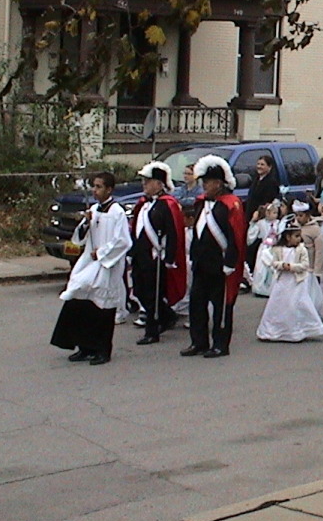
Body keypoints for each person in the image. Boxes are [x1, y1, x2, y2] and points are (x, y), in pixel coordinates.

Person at [50, 171, 131, 366]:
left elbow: (122, 241)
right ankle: (84, 346)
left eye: (99, 187)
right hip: (89, 262)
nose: (95, 190)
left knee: (102, 307)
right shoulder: (94, 210)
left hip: (106, 264)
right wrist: (86, 222)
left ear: (109, 189)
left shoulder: (117, 212)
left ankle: (102, 349)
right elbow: (79, 238)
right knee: (81, 298)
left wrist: (101, 253)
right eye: (93, 186)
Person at [183, 156, 247, 359]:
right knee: (197, 304)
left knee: (221, 307)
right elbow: (197, 231)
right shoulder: (201, 203)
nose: (204, 185)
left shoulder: (230, 204)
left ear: (218, 183)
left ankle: (220, 344)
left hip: (220, 264)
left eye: (207, 182)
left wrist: (230, 263)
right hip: (201, 263)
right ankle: (199, 342)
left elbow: (236, 236)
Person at [129, 161, 186, 345]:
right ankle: (168, 315)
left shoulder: (167, 204)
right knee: (139, 290)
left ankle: (152, 331)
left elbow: (173, 232)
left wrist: (169, 258)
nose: (144, 184)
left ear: (159, 184)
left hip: (155, 257)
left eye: (148, 181)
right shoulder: (144, 203)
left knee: (152, 294)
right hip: (140, 255)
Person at [256, 218, 323, 342]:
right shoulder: (278, 249)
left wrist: (292, 267)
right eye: (296, 236)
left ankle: (297, 331)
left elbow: (305, 265)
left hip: (296, 281)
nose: (299, 239)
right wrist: (282, 265)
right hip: (282, 281)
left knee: (295, 304)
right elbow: (273, 263)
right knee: (279, 304)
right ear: (288, 237)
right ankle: (274, 330)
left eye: (299, 236)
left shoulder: (301, 250)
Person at [243, 154, 280, 281]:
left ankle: (255, 276)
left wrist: (259, 213)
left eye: (262, 164)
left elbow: (268, 201)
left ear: (269, 167)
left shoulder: (271, 182)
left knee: (254, 248)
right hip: (251, 217)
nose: (259, 166)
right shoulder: (256, 180)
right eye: (258, 164)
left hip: (261, 219)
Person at [247, 200, 283, 297]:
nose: (276, 215)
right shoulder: (261, 223)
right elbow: (251, 236)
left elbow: (280, 233)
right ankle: (260, 289)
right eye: (274, 213)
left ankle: (273, 289)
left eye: (276, 213)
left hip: (274, 248)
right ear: (267, 213)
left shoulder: (278, 223)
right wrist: (253, 223)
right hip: (264, 248)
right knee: (261, 268)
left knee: (273, 268)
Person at [292, 199, 323, 305]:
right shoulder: (293, 227)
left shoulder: (315, 229)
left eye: (301, 215)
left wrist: (317, 270)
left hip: (309, 267)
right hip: (296, 265)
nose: (298, 218)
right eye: (296, 215)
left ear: (307, 215)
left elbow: (320, 251)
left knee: (309, 294)